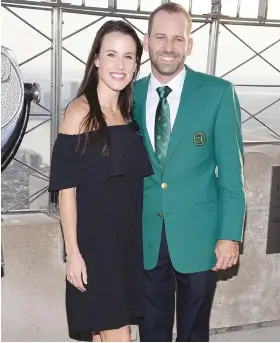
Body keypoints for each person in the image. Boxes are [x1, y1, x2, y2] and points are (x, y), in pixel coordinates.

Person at [133, 2, 246, 342]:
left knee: (194, 332)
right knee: (151, 330)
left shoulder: (217, 93)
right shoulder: (129, 95)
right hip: (146, 234)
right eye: (161, 37)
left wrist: (230, 234)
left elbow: (231, 171)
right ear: (147, 41)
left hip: (201, 237)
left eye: (178, 39)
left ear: (190, 44)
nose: (168, 47)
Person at [48, 20, 153, 342]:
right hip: (96, 246)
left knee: (104, 334)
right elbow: (67, 192)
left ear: (137, 64)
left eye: (129, 57)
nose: (120, 65)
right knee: (121, 335)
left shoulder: (128, 112)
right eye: (111, 54)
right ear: (96, 59)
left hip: (126, 243)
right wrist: (74, 254)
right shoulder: (79, 112)